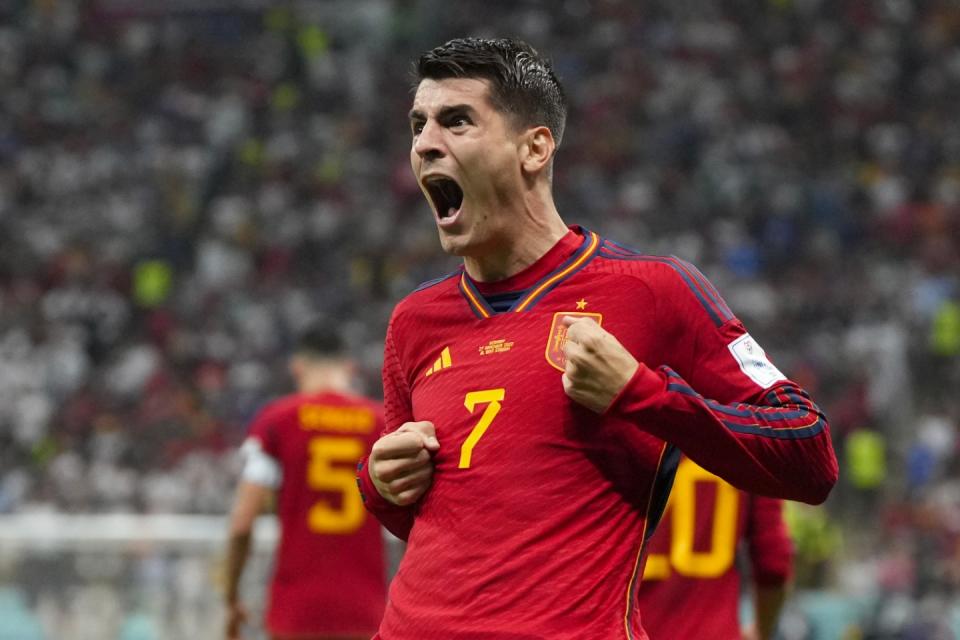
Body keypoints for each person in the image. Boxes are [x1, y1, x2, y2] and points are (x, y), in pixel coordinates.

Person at [355, 36, 837, 638]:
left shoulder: (653, 292)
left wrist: (642, 393)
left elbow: (810, 453)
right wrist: (377, 484)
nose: (425, 143)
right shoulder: (414, 321)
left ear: (534, 148)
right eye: (418, 125)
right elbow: (430, 517)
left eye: (457, 121)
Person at [224, 321, 386, 640]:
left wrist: (232, 596)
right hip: (366, 609)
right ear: (349, 368)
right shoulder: (381, 422)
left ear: (297, 367)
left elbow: (243, 523)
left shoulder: (278, 420)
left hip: (296, 611)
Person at [636, 455, 793, 640]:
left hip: (633, 630)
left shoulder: (618, 431)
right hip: (715, 632)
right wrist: (761, 632)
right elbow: (774, 562)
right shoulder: (747, 440)